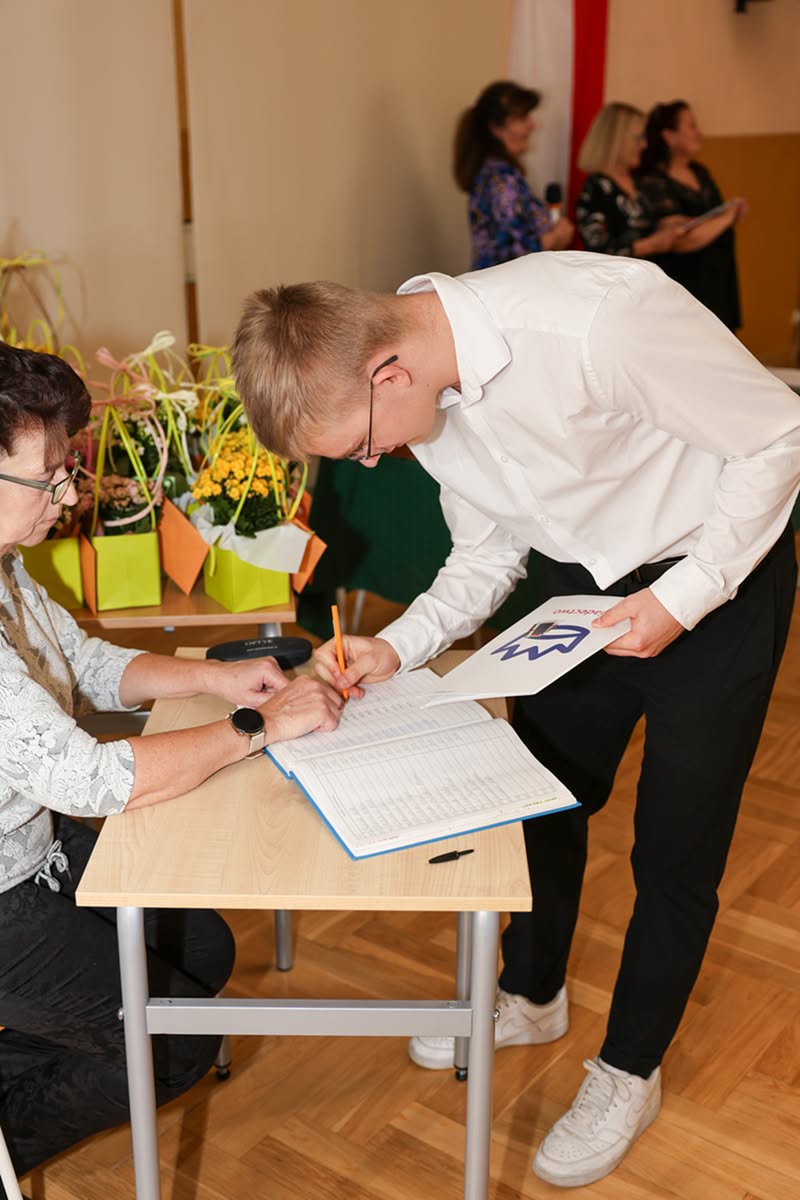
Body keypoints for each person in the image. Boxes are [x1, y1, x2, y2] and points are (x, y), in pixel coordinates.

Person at [231, 253, 799, 1189]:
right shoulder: (424, 389)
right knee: (541, 802)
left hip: (715, 577)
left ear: (388, 374)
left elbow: (779, 436)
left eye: (364, 445)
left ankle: (629, 1070)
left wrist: (685, 596)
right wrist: (397, 647)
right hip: (579, 589)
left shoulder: (597, 322)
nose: (374, 460)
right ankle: (532, 994)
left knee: (676, 850)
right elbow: (487, 552)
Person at [0, 342, 343, 1194]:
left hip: (32, 856)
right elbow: (90, 779)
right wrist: (257, 725)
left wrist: (216, 679)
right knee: (177, 1039)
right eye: (49, 478)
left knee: (202, 948)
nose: (69, 495)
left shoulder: (5, 567)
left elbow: (81, 661)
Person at [636, 100, 744, 330]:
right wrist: (727, 217)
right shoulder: (654, 181)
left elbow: (712, 219)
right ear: (669, 136)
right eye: (691, 126)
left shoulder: (700, 173)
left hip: (719, 284)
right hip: (686, 287)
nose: (699, 133)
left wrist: (728, 215)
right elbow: (682, 239)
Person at [454, 80, 574, 269]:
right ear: (496, 128)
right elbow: (510, 254)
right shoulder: (501, 179)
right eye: (522, 118)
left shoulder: (497, 173)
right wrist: (555, 237)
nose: (532, 125)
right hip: (502, 284)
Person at [575, 102, 682, 259]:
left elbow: (646, 225)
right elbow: (599, 252)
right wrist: (651, 245)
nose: (644, 145)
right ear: (617, 141)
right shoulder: (596, 188)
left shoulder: (639, 181)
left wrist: (666, 225)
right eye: (638, 138)